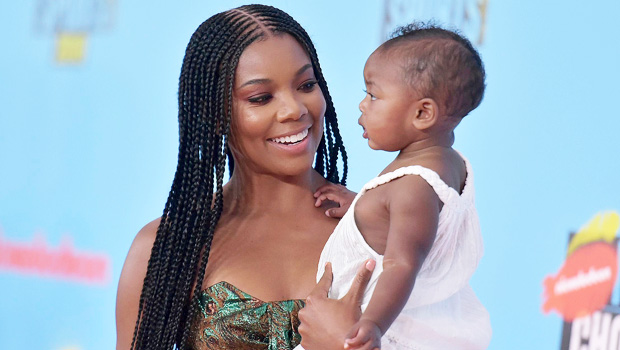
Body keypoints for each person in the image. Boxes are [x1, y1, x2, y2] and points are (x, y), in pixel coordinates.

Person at [115, 5, 372, 350]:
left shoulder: (379, 227)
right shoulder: (167, 248)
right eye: (261, 98)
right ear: (215, 114)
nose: (294, 109)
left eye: (306, 84)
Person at [302, 23, 492, 349]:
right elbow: (410, 219)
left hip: (382, 334)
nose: (363, 105)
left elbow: (401, 264)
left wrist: (372, 326)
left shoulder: (412, 188)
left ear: (422, 113)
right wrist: (365, 205)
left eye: (373, 95)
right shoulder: (449, 162)